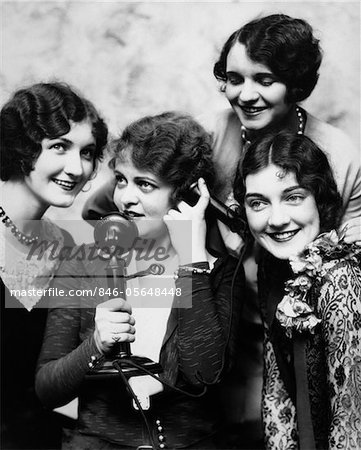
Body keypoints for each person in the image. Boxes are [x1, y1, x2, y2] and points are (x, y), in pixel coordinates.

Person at [35, 112, 244, 449]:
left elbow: (205, 372)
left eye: (145, 185)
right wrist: (95, 346)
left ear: (186, 195)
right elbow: (47, 389)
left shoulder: (220, 269)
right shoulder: (82, 263)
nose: (125, 198)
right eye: (121, 180)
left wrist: (193, 262)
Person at [233, 130, 361, 449]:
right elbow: (277, 396)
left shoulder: (340, 274)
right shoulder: (271, 267)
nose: (277, 219)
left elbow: (351, 420)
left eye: (293, 197)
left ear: (319, 197)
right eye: (258, 203)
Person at [0, 82, 108, 449]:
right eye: (59, 147)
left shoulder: (64, 246)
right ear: (21, 147)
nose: (77, 168)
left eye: (89, 152)